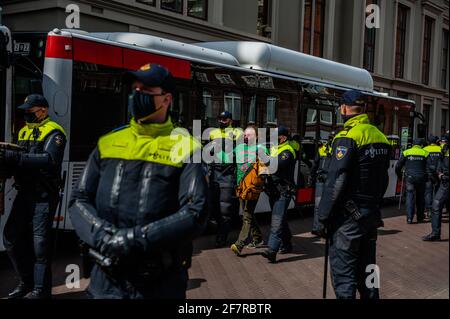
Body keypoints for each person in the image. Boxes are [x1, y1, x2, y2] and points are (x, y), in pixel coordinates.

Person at [68, 64, 208, 299]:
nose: (136, 95)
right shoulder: (108, 142)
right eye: (134, 89)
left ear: (166, 99)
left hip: (158, 285)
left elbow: (196, 211)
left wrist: (134, 239)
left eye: (145, 91)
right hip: (105, 282)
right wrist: (102, 235)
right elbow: (78, 198)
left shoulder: (187, 148)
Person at [316, 90, 391, 299]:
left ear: (343, 108)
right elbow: (384, 179)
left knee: (344, 277)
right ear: (364, 109)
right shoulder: (381, 137)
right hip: (371, 217)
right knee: (369, 272)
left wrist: (322, 218)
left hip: (348, 221)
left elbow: (336, 181)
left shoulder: (347, 137)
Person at [0, 94, 66, 299]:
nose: (26, 115)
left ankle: (40, 291)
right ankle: (26, 283)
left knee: (40, 245)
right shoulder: (23, 131)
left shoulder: (55, 131)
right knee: (10, 237)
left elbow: (49, 160)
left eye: (30, 111)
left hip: (44, 195)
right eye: (25, 111)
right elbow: (18, 159)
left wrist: (16, 157)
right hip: (24, 192)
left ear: (43, 110)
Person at [230, 125, 268, 256]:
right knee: (248, 214)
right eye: (244, 134)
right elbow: (227, 157)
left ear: (256, 136)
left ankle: (239, 244)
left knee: (247, 215)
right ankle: (258, 239)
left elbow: (266, 167)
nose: (245, 137)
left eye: (248, 135)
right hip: (241, 187)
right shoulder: (240, 148)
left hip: (252, 188)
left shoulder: (261, 149)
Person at [262, 125, 296, 263]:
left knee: (276, 220)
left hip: (283, 191)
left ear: (283, 138)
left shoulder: (287, 151)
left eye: (276, 136)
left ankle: (272, 250)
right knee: (280, 218)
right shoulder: (274, 149)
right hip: (273, 190)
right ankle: (287, 243)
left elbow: (275, 166)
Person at [208, 111, 242, 247]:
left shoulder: (237, 133)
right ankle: (221, 230)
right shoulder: (212, 133)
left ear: (230, 120)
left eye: (225, 119)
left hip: (228, 174)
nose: (222, 121)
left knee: (225, 209)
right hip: (214, 173)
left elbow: (240, 152)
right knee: (212, 207)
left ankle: (222, 237)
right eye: (220, 119)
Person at [395, 138, 430, 224]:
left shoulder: (406, 152)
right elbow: (429, 167)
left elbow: (398, 166)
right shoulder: (425, 153)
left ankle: (409, 218)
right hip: (421, 178)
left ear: (413, 144)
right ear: (421, 145)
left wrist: (400, 176)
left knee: (410, 197)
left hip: (410, 178)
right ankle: (420, 217)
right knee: (420, 198)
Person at [310, 132, 335, 235]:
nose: (331, 139)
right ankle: (318, 228)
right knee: (320, 205)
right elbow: (315, 164)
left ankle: (320, 228)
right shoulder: (324, 148)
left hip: (326, 181)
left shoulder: (335, 149)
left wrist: (312, 176)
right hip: (323, 180)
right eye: (330, 138)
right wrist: (311, 176)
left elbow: (315, 164)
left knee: (321, 205)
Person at [423, 144, 449, 241]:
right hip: (445, 183)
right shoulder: (444, 150)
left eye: (444, 140)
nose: (442, 142)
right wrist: (439, 173)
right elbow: (440, 163)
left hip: (446, 181)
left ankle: (435, 233)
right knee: (436, 205)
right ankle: (435, 233)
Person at [423, 135, 443, 217]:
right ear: (436, 142)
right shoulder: (440, 149)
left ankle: (429, 210)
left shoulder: (424, 149)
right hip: (439, 174)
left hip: (428, 174)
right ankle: (437, 209)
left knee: (428, 192)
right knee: (438, 192)